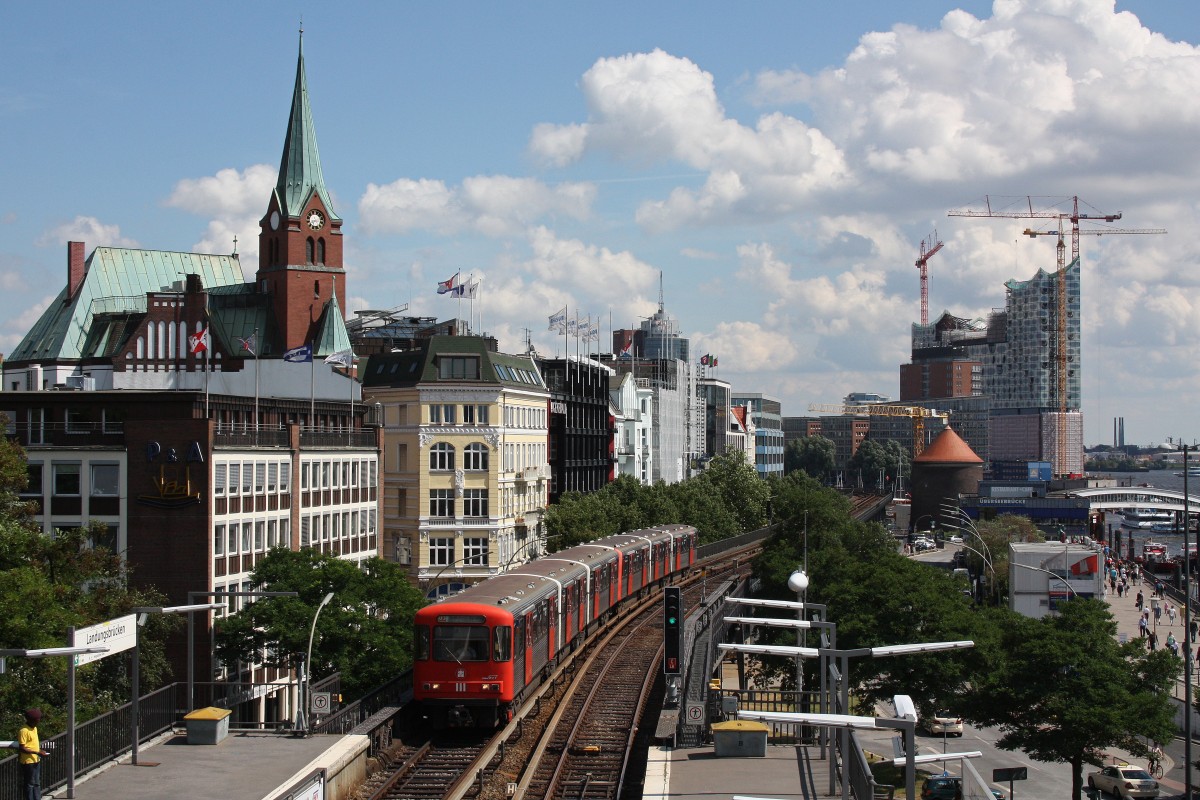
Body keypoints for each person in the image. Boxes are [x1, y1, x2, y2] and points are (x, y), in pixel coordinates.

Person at [18, 708, 49, 800]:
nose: (39, 721)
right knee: (30, 784)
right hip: (28, 761)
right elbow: (22, 748)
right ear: (32, 720)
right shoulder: (24, 731)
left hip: (36, 759)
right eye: (37, 719)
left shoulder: (34, 728)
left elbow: (32, 744)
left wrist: (40, 751)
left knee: (36, 783)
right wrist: (37, 752)